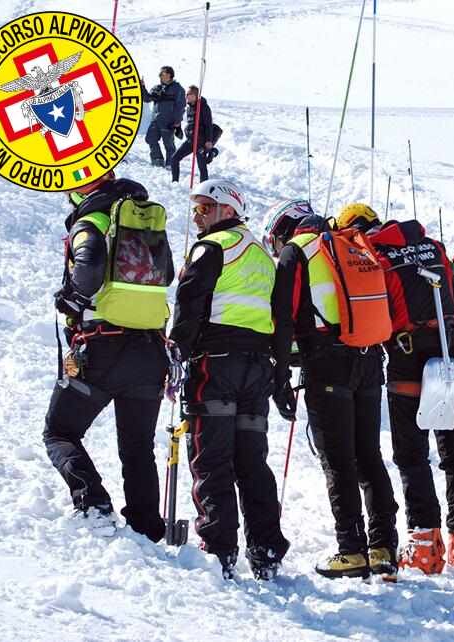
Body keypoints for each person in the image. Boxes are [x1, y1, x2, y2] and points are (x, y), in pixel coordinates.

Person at [338, 204, 454, 573]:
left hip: (409, 353)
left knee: (412, 453)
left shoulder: (371, 255)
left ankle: (424, 546)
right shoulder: (433, 245)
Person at [266, 200, 399, 580]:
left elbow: (283, 320)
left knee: (338, 462)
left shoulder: (299, 251)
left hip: (327, 364)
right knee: (369, 456)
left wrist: (279, 380)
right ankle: (384, 547)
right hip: (370, 357)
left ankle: (351, 550)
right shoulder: (351, 243)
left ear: (284, 230)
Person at [168, 178, 289, 580]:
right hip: (257, 369)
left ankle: (218, 548)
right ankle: (266, 549)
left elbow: (190, 301)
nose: (197, 215)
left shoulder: (212, 247)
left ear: (227, 209)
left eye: (205, 207)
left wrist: (176, 349)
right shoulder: (259, 252)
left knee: (211, 456)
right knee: (251, 461)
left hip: (215, 366)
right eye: (196, 207)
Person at [44, 171, 172, 542]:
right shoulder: (147, 227)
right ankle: (147, 528)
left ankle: (94, 504)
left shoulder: (93, 220)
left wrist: (72, 298)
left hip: (103, 346)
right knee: (137, 446)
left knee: (59, 430)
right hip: (150, 351)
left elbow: (88, 263)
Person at [141, 66, 185, 167]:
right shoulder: (157, 88)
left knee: (168, 144)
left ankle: (171, 164)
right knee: (150, 138)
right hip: (156, 120)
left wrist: (177, 121)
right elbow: (147, 98)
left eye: (163, 74)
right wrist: (142, 87)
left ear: (170, 75)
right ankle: (157, 160)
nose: (161, 76)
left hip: (168, 121)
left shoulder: (178, 89)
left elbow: (181, 106)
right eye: (160, 74)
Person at [171, 86, 213, 183]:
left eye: (190, 94)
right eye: (187, 94)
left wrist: (209, 140)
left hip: (200, 142)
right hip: (190, 140)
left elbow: (208, 125)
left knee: (202, 167)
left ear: (196, 96)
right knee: (174, 159)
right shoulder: (189, 107)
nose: (188, 96)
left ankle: (204, 189)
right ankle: (175, 182)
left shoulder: (204, 107)